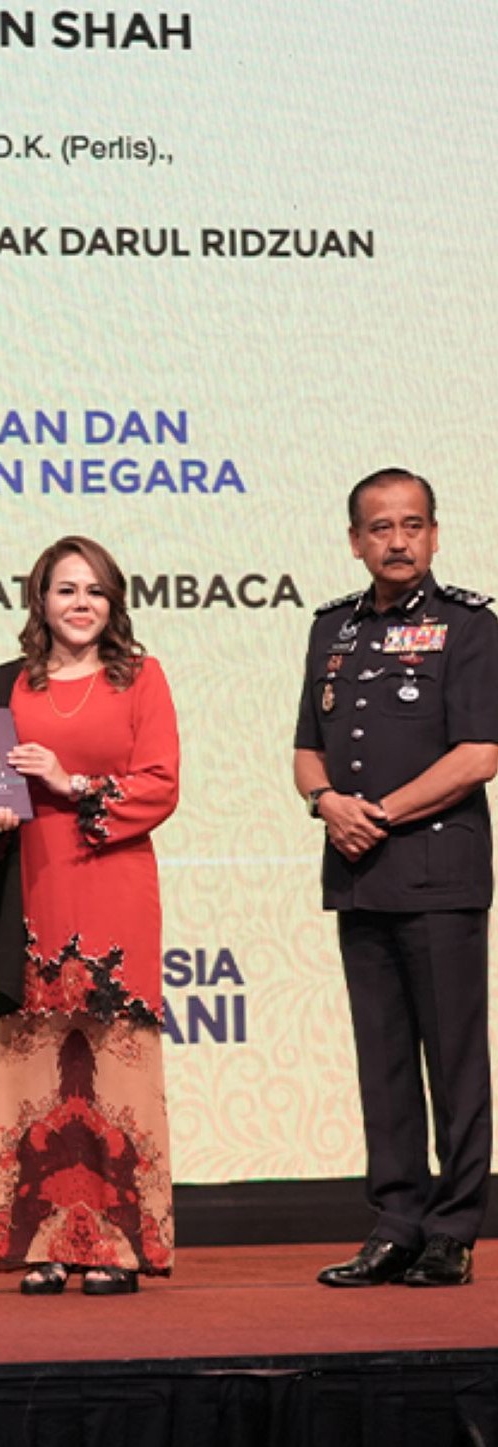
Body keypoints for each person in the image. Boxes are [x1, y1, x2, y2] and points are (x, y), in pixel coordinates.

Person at [0, 535, 179, 1295]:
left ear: (113, 603)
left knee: (112, 1063)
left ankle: (116, 1247)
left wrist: (71, 781)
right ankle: (43, 1244)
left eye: (95, 591)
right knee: (35, 1063)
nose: (81, 604)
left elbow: (160, 785)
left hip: (113, 885)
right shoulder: (7, 685)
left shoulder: (141, 678)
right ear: (40, 601)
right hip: (32, 886)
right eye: (65, 590)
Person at [294, 467, 498, 1288]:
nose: (397, 541)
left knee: (452, 1061)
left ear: (434, 535)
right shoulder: (331, 630)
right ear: (355, 541)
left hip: (437, 874)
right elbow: (306, 749)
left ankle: (452, 1228)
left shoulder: (469, 627)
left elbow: (478, 755)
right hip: (357, 873)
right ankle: (395, 1223)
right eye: (379, 528)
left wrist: (374, 813)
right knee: (380, 1062)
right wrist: (324, 803)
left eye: (412, 525)